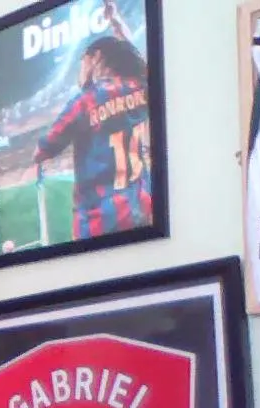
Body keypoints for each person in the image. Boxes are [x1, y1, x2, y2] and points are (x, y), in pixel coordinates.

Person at [32, 0, 152, 242]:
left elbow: (42, 150)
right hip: (142, 210)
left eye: (82, 61)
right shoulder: (141, 86)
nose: (80, 68)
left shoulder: (84, 101)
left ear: (95, 58)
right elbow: (138, 59)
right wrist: (116, 23)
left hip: (98, 223)